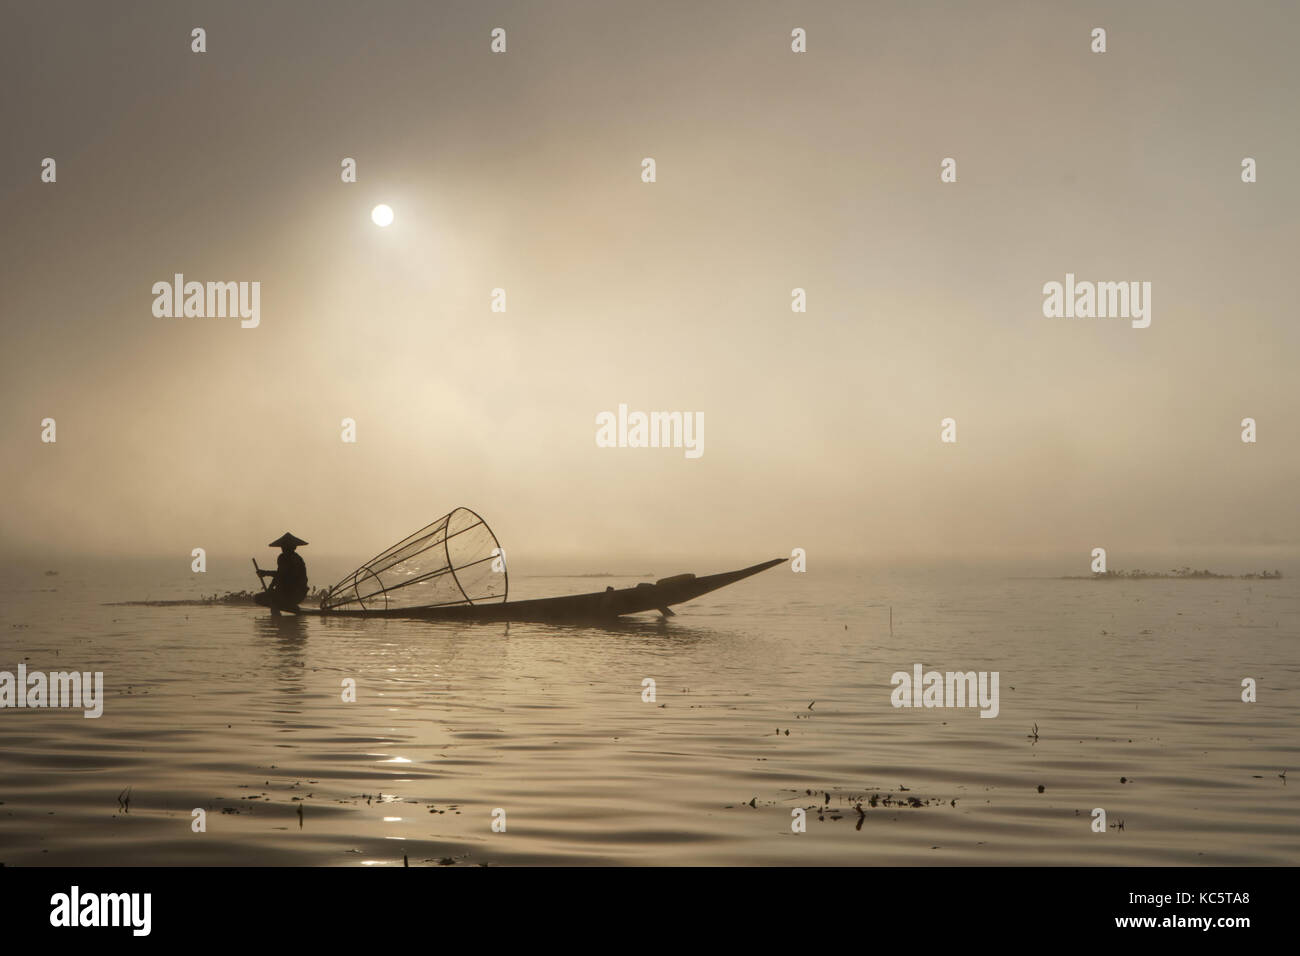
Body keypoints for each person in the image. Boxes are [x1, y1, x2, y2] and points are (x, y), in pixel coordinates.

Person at [255, 532, 309, 613]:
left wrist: (265, 573)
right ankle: (281, 611)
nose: (284, 549)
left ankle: (288, 605)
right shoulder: (282, 558)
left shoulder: (295, 559)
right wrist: (270, 590)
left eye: (286, 547)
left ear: (293, 547)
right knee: (259, 598)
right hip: (285, 593)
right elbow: (278, 576)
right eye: (283, 547)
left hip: (295, 593)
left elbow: (282, 575)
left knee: (268, 599)